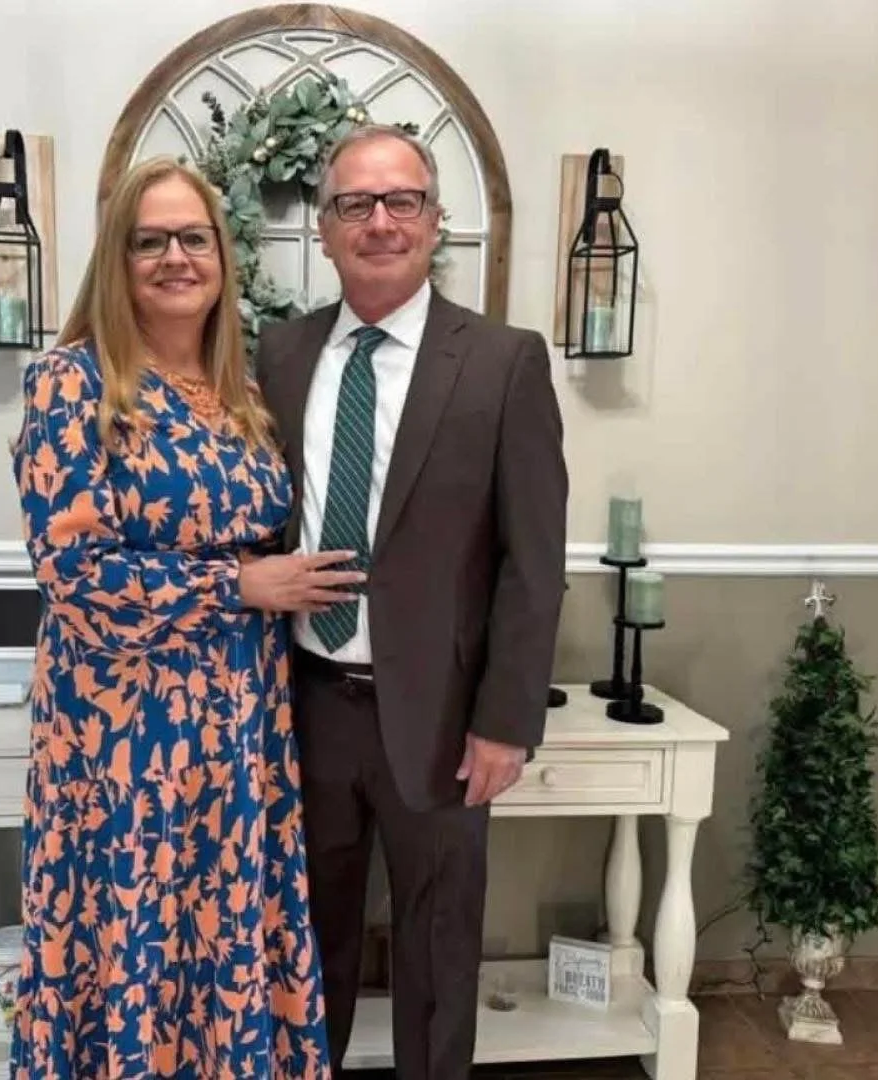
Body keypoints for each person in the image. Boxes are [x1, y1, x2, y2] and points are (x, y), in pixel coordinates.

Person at [9, 155, 364, 1080]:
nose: (175, 256)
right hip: (121, 736)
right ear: (117, 262)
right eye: (149, 240)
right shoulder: (73, 382)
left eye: (193, 238)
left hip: (240, 726)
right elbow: (72, 573)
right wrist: (235, 587)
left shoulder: (242, 393)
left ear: (221, 257)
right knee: (134, 943)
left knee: (226, 937)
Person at [255, 125, 568, 1078]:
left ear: (435, 222)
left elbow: (532, 559)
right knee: (307, 947)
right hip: (302, 706)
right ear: (324, 230)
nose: (379, 222)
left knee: (437, 951)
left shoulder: (503, 360)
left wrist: (505, 723)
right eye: (355, 204)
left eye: (402, 202)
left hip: (440, 722)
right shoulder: (279, 354)